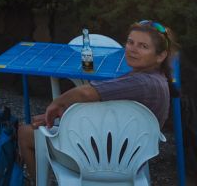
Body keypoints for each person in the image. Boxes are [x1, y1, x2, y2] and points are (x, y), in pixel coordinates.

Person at [17, 20, 177, 180]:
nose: (133, 49)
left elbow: (85, 94)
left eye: (143, 46)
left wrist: (55, 105)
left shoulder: (142, 83)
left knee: (24, 133)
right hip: (129, 159)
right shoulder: (156, 80)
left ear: (160, 56)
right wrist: (59, 120)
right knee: (47, 126)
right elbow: (99, 112)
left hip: (96, 160)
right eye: (130, 42)